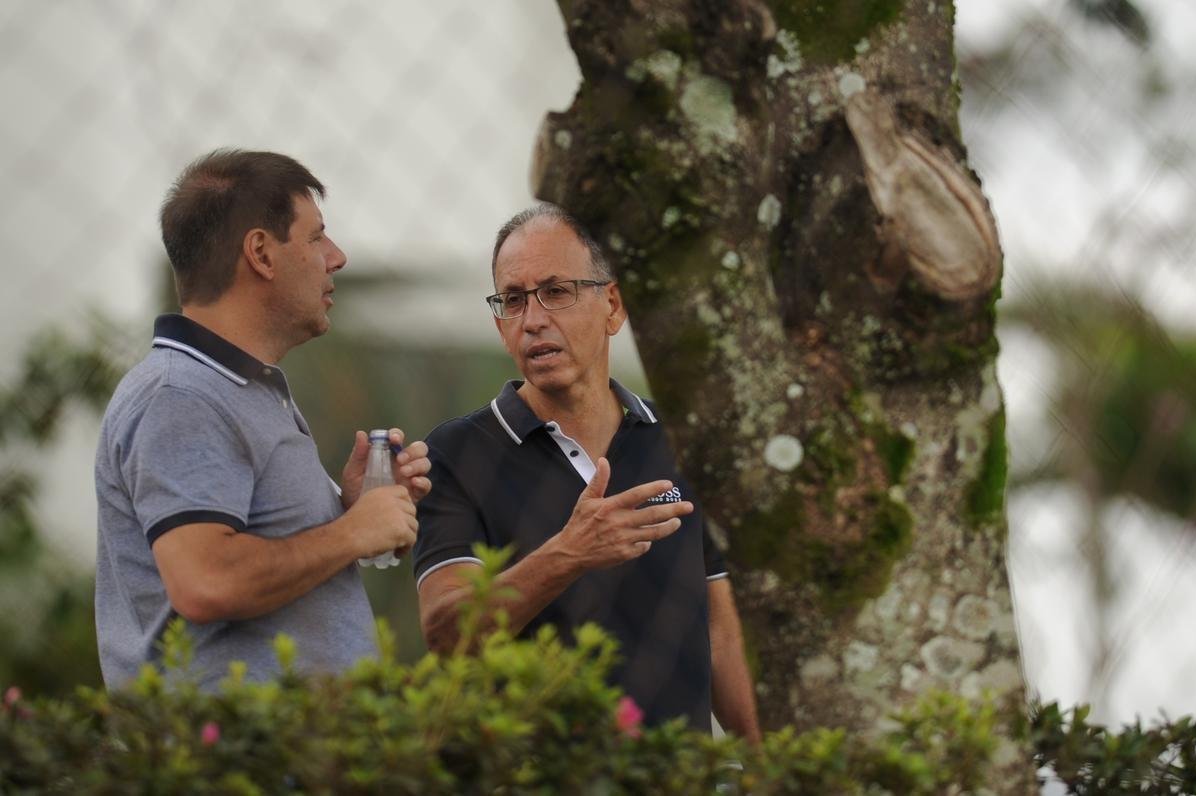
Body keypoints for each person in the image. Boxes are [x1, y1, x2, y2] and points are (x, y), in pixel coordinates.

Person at [413, 204, 760, 740]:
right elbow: (447, 634)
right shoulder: (455, 453)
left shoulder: (679, 441)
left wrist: (776, 770)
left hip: (677, 776)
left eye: (556, 291)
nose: (532, 320)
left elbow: (721, 635)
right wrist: (570, 552)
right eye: (513, 300)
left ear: (613, 306)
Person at [94, 149, 431, 690]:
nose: (337, 256)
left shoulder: (241, 387)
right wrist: (350, 533)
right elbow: (205, 581)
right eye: (317, 236)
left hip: (283, 760)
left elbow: (256, 551)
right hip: (232, 766)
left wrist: (347, 508)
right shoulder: (182, 396)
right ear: (261, 253)